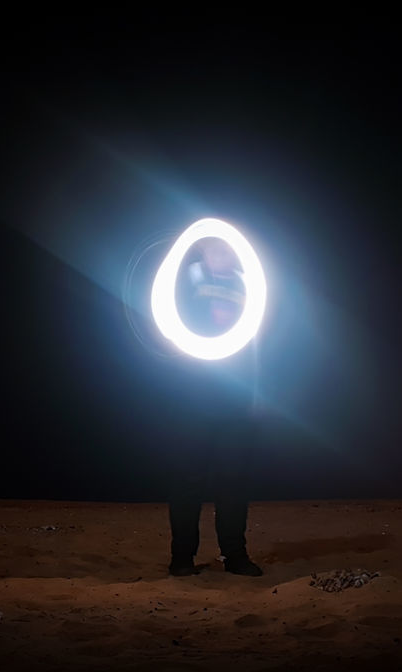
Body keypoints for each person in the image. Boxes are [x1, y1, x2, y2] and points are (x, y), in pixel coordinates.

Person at [165, 236, 264, 577]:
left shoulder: (247, 283)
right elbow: (162, 320)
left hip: (235, 400)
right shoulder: (186, 278)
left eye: (227, 248)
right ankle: (181, 559)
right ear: (202, 250)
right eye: (214, 248)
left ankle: (235, 557)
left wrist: (255, 396)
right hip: (191, 396)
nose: (222, 254)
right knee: (186, 481)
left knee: (234, 482)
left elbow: (255, 345)